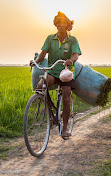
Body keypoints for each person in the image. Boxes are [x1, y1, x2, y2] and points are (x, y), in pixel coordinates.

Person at [30, 11, 82, 139]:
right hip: (53, 71)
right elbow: (43, 53)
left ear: (67, 26)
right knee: (41, 84)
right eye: (59, 23)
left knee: (65, 95)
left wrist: (71, 60)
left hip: (65, 72)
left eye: (64, 23)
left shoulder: (72, 40)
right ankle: (46, 108)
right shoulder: (50, 38)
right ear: (56, 25)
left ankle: (64, 129)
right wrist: (35, 62)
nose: (61, 25)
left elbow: (76, 54)